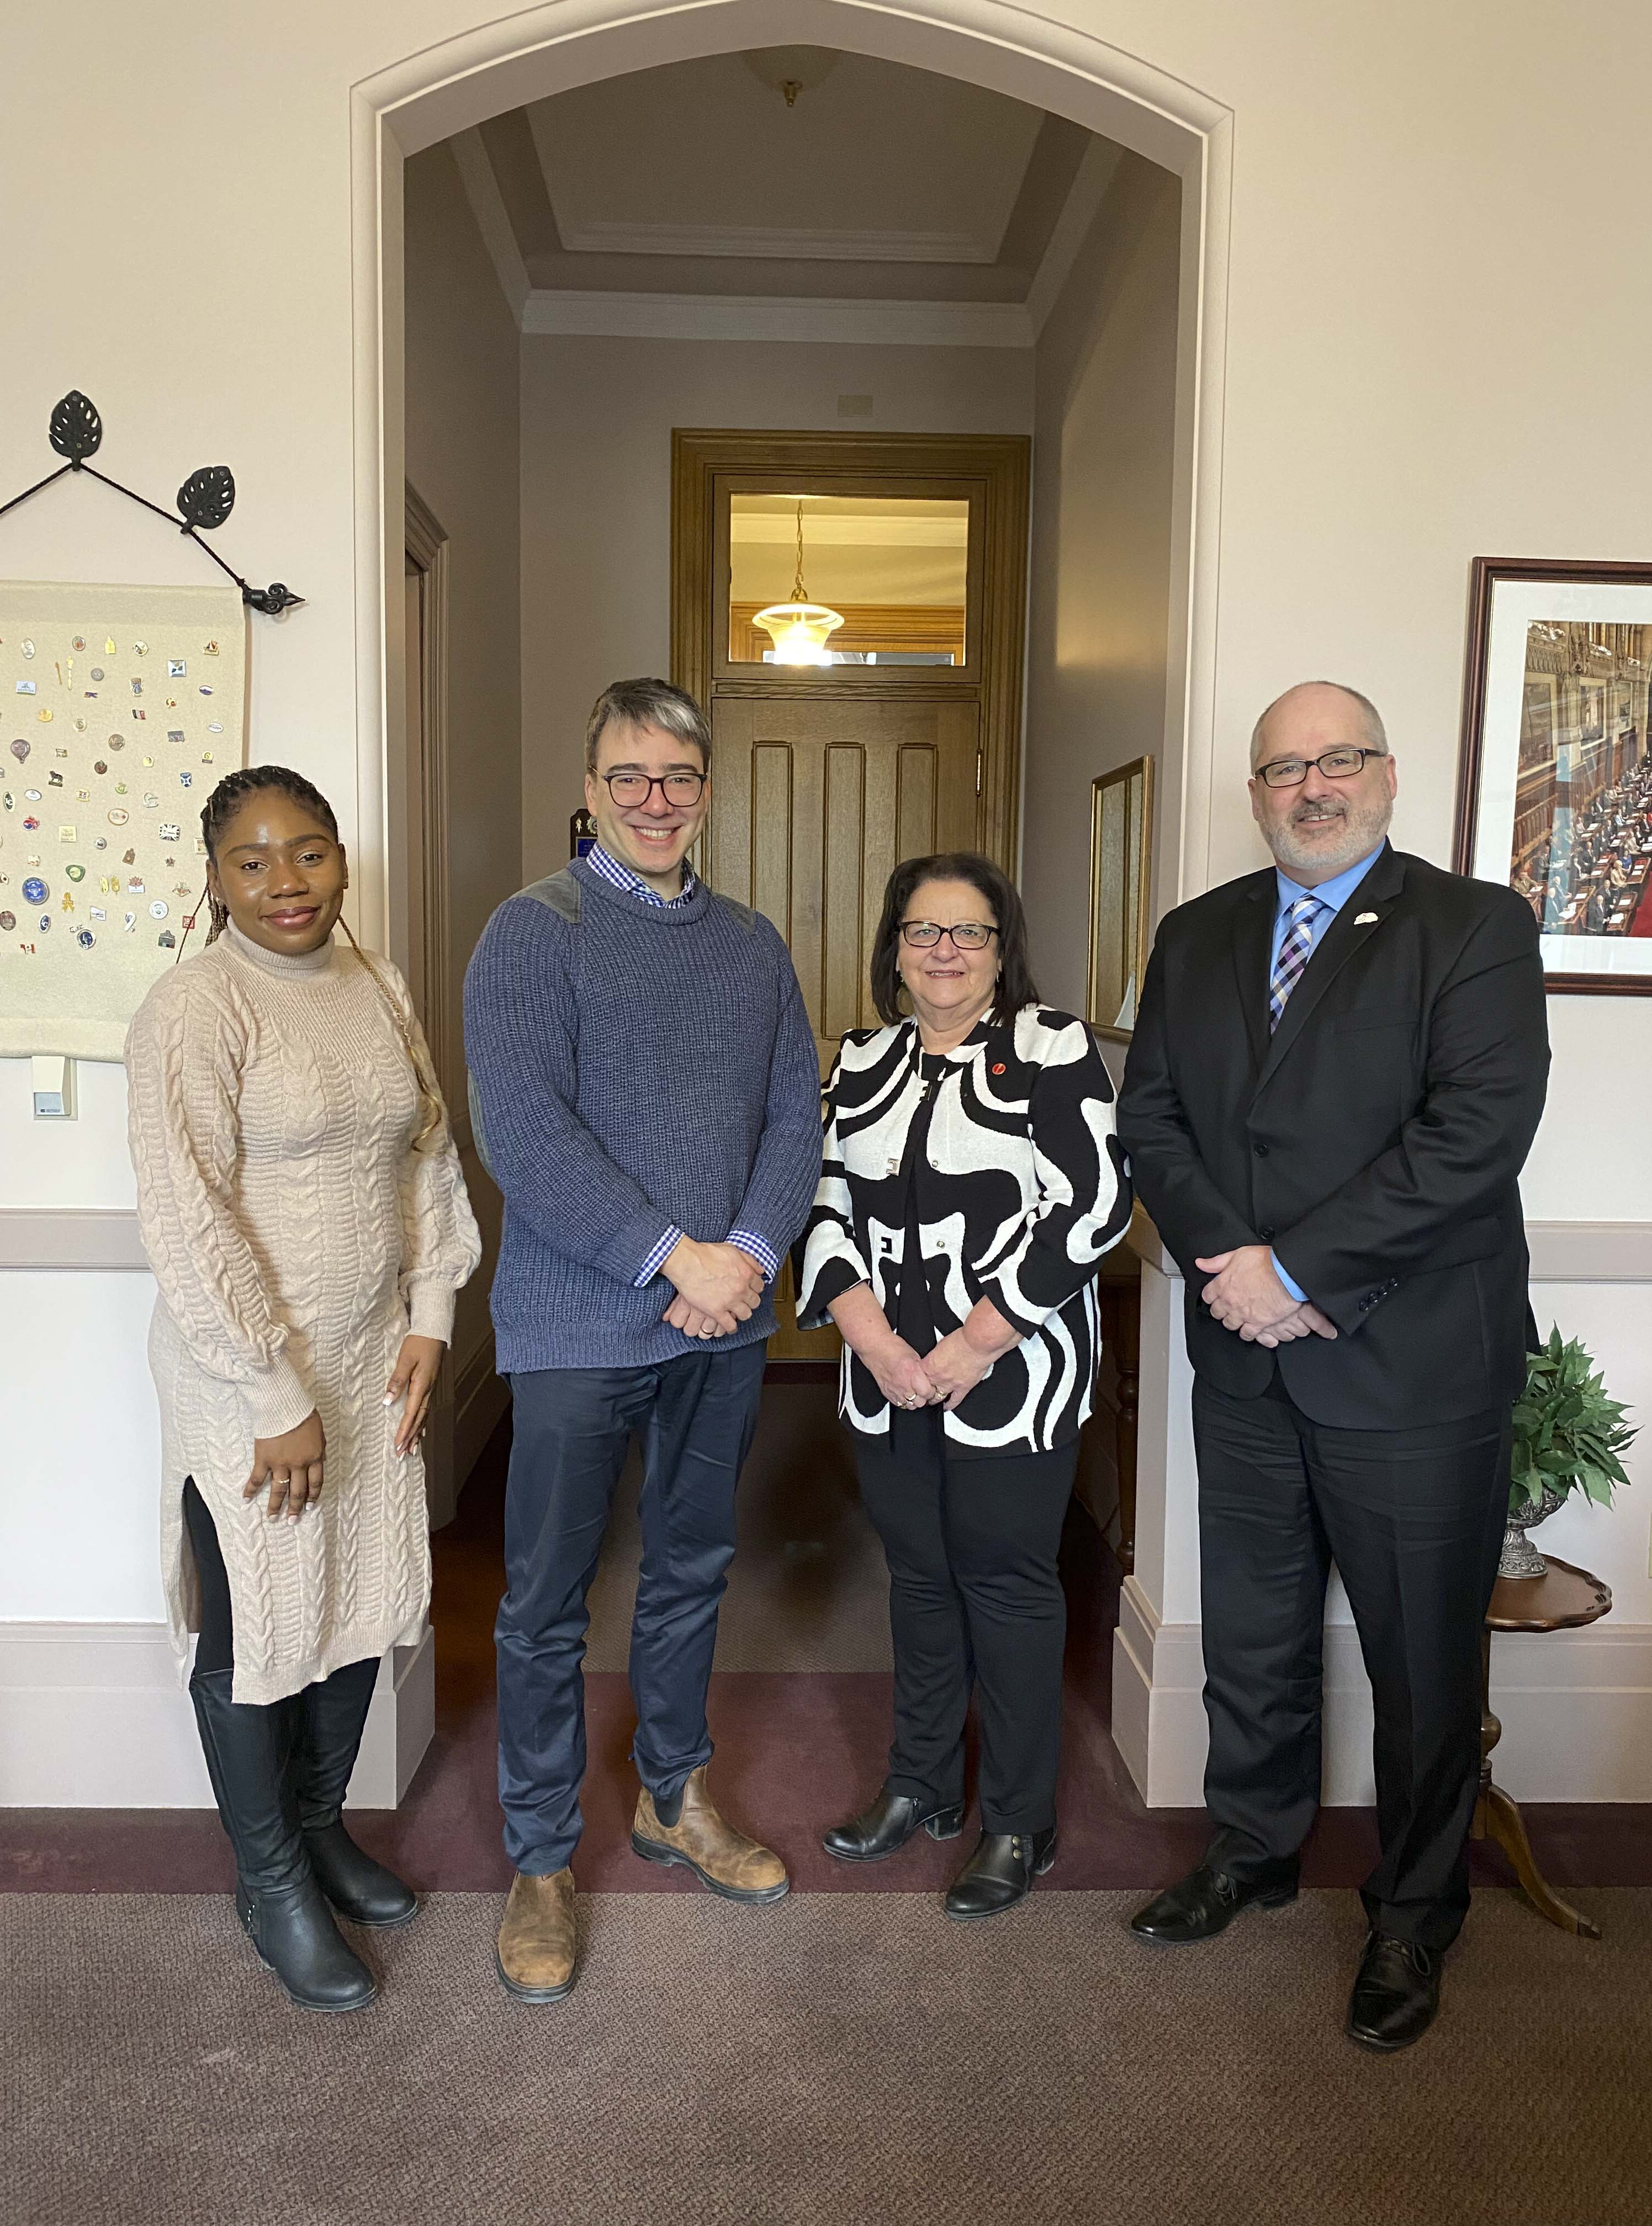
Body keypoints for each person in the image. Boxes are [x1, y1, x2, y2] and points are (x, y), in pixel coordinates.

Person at [1116, 681, 1549, 2053]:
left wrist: (1294, 1274)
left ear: (1387, 773)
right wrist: (1236, 1272)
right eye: (1283, 768)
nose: (1312, 786)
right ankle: (1251, 1851)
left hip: (1412, 1371)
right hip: (1246, 1365)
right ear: (1255, 793)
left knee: (1423, 1663)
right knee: (1253, 1634)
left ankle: (1415, 1913)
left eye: (1338, 759)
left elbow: (1475, 1135)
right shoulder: (1196, 934)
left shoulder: (1474, 926)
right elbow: (1153, 1120)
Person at [463, 676, 822, 2005]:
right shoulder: (531, 932)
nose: (654, 800)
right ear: (593, 788)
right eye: (629, 776)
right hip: (575, 1327)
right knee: (545, 1603)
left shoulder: (752, 945)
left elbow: (796, 1115)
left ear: (707, 792)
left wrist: (751, 1260)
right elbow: (523, 1134)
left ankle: (675, 1797)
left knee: (691, 1570)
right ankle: (541, 1856)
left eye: (677, 777)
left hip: (721, 1328)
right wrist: (676, 1258)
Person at [124, 766, 481, 2013]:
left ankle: (322, 1830)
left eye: (310, 852)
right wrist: (273, 1392)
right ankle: (270, 1879)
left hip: (372, 1360)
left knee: (357, 1601)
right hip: (248, 1383)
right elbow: (187, 1213)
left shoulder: (377, 983)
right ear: (215, 879)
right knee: (258, 1622)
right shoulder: (195, 1007)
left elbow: (427, 1152)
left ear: (339, 858)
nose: (288, 882)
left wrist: (432, 1317)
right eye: (254, 860)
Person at [794, 854, 1131, 1919]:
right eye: (923, 931)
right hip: (885, 1377)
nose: (945, 951)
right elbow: (821, 1205)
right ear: (894, 950)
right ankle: (923, 1782)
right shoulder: (860, 1061)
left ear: (1001, 949)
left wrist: (973, 1347)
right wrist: (877, 1344)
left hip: (1015, 1375)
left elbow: (1094, 1207)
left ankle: (1021, 1820)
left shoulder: (1051, 1048)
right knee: (920, 1579)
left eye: (969, 932)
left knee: (1007, 1586)